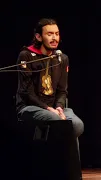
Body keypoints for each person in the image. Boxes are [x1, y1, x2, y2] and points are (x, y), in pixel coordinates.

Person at [15, 18, 84, 158]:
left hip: (55, 109)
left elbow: (62, 90)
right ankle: (53, 166)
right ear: (38, 37)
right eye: (50, 34)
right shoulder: (26, 55)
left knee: (77, 125)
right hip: (29, 107)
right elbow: (26, 92)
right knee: (60, 123)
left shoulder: (61, 58)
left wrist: (59, 107)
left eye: (57, 34)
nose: (55, 38)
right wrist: (48, 109)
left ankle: (70, 172)